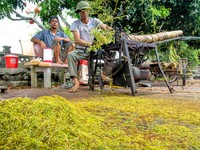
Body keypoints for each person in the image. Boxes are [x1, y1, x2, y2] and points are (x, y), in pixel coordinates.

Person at [67, 1, 113, 92]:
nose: (84, 13)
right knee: (70, 55)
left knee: (110, 53)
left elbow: (104, 27)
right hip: (81, 50)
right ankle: (76, 82)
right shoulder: (75, 23)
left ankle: (103, 75)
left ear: (89, 11)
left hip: (93, 50)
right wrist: (90, 44)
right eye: (82, 11)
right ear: (79, 13)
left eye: (86, 11)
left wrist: (112, 30)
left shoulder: (94, 21)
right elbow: (77, 40)